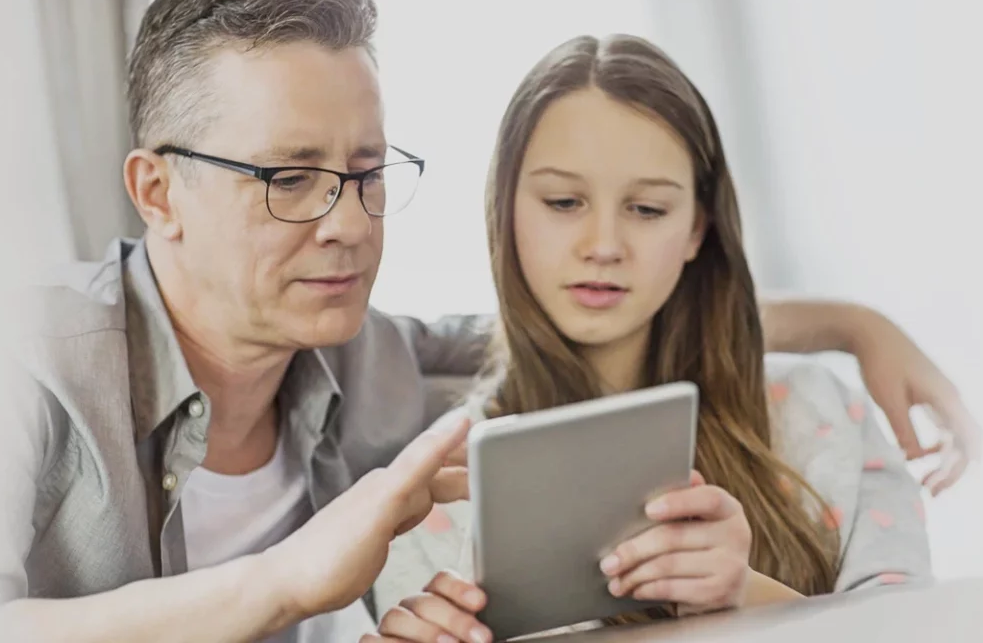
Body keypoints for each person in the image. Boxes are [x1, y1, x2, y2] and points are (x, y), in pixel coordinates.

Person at [0, 0, 967, 642]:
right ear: (156, 193)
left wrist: (852, 322)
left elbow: (590, 311)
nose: (346, 224)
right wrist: (279, 581)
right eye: (288, 177)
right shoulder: (14, 368)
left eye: (367, 172)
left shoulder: (372, 363)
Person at [366, 33, 935, 643]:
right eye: (563, 201)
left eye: (647, 209)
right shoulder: (433, 489)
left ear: (698, 230)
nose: (604, 245)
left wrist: (746, 592)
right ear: (505, 210)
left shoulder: (824, 414)